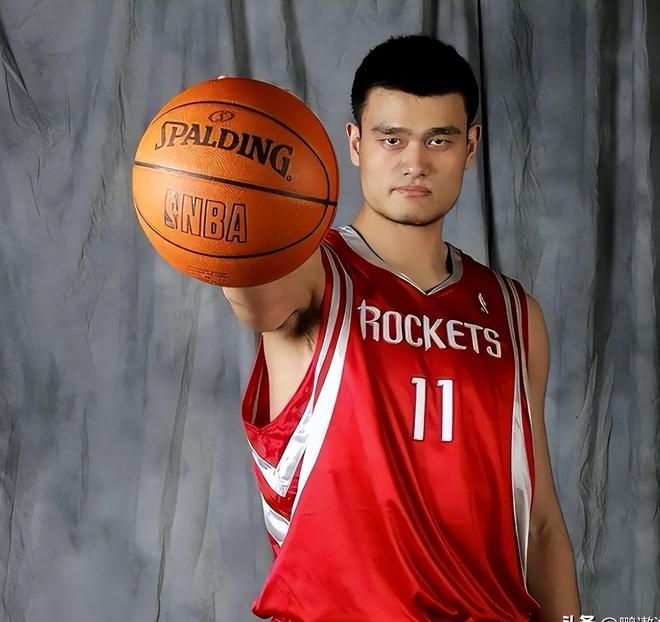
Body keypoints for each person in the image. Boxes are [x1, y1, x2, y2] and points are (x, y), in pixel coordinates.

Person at [222, 34, 581, 622]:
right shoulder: (312, 273)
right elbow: (252, 294)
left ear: (470, 146)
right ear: (355, 143)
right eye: (392, 139)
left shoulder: (515, 313)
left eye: (439, 139)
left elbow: (539, 523)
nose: (415, 162)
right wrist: (225, 190)